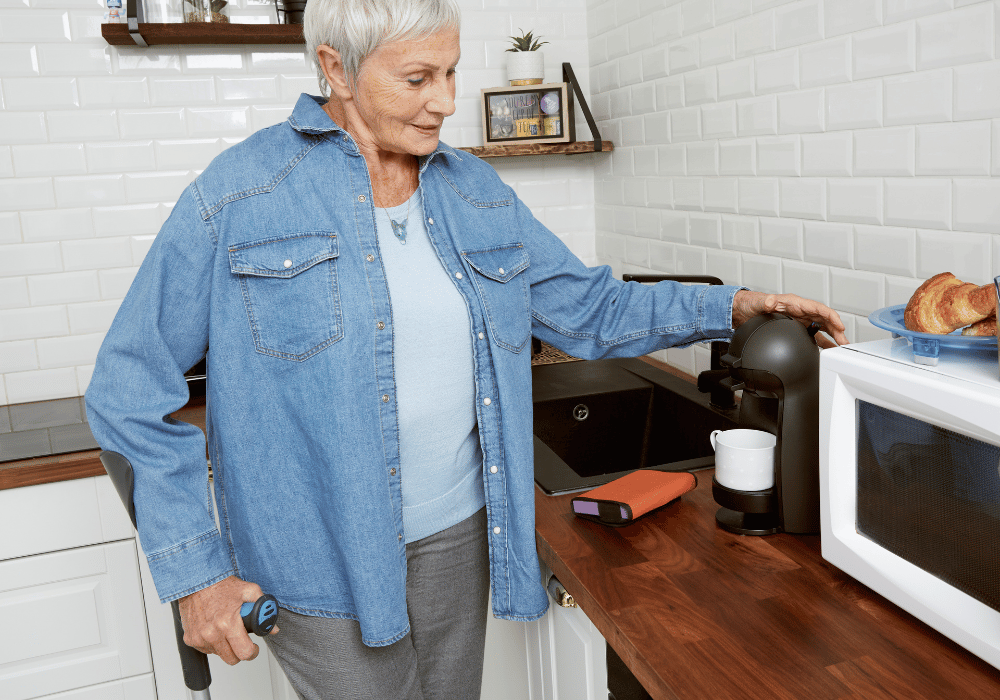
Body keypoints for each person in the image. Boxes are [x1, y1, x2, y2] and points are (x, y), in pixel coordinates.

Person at [84, 0, 847, 697]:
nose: (446, 100)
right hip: (320, 553)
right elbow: (127, 387)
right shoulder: (241, 194)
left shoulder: (475, 193)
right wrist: (196, 574)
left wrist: (732, 307)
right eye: (418, 77)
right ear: (334, 70)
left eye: (450, 72)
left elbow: (589, 306)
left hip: (456, 539)